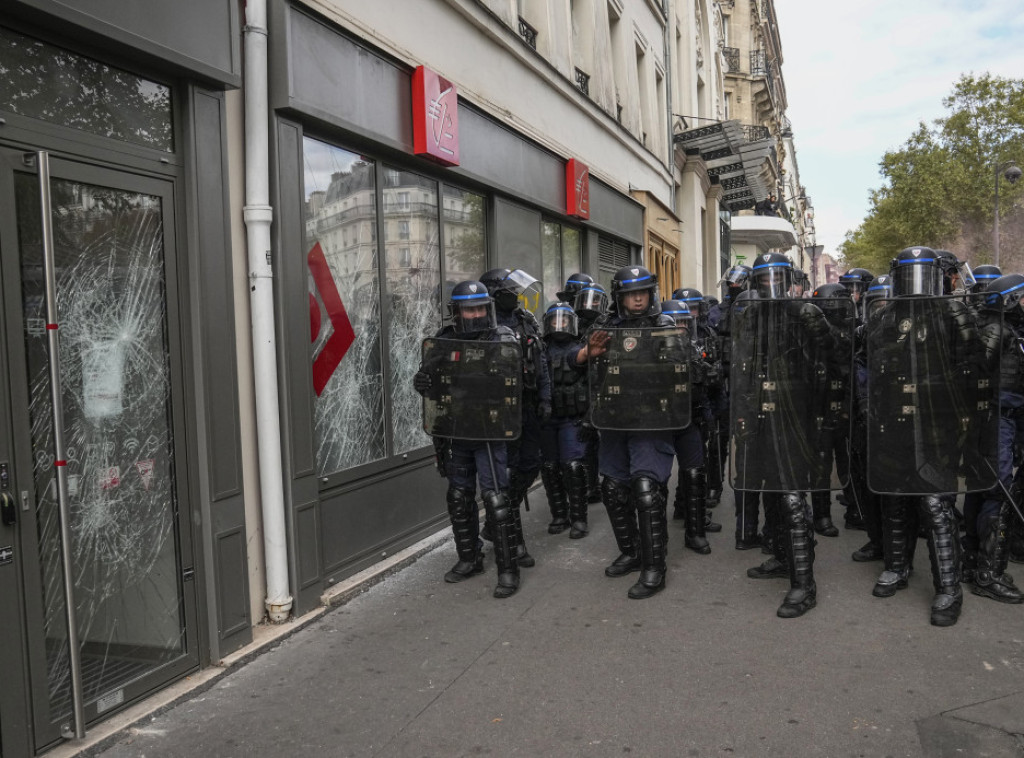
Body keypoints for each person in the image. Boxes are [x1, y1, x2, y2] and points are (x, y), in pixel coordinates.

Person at [865, 246, 984, 626]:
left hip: (937, 422)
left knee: (935, 504)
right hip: (894, 421)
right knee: (895, 498)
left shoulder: (954, 312)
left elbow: (977, 364)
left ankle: (948, 587)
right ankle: (897, 567)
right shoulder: (887, 316)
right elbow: (871, 357)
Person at [733, 252, 839, 618]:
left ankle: (804, 584)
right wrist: (743, 416)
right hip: (763, 415)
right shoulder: (752, 315)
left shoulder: (805, 313)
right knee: (772, 494)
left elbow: (834, 359)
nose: (769, 285)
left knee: (793, 498)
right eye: (762, 279)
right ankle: (781, 558)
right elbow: (743, 368)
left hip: (797, 416)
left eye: (775, 277)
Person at [413, 280, 521, 598]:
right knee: (459, 497)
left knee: (496, 499)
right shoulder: (445, 340)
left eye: (478, 308)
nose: (473, 314)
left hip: (488, 430)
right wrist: (423, 381)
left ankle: (508, 569)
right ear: (456, 312)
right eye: (467, 309)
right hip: (457, 429)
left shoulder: (502, 337)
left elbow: (512, 382)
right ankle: (469, 558)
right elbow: (431, 381)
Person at [587, 265, 680, 599]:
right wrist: (586, 354)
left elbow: (681, 370)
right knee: (613, 488)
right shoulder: (604, 325)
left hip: (650, 420)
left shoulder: (664, 325)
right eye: (630, 293)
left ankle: (654, 568)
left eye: (642, 292)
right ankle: (631, 551)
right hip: (614, 419)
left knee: (645, 488)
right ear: (620, 296)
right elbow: (581, 361)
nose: (637, 298)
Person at [479, 268, 552, 569]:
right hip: (500, 408)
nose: (517, 296)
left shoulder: (526, 320)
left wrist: (546, 398)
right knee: (504, 478)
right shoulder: (484, 325)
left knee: (530, 465)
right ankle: (512, 542)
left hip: (529, 404)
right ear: (496, 296)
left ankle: (495, 526)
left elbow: (542, 362)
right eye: (510, 291)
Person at [967, 274, 1024, 604]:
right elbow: (976, 376)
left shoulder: (1008, 329)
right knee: (997, 493)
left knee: (983, 488)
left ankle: (972, 562)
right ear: (1010, 300)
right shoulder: (995, 329)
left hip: (1003, 419)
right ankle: (988, 575)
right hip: (993, 419)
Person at [662, 299, 717, 554]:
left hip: (689, 419)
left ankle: (695, 532)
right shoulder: (652, 351)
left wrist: (707, 416)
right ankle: (655, 535)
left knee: (694, 473)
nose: (682, 328)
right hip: (660, 423)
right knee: (654, 481)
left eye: (685, 322)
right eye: (677, 323)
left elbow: (703, 391)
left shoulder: (694, 349)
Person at [538, 301, 591, 539]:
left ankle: (579, 518)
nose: (559, 325)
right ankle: (559, 514)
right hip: (547, 419)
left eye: (564, 320)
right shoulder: (539, 349)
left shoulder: (579, 348)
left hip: (572, 418)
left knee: (572, 466)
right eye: (554, 320)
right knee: (549, 467)